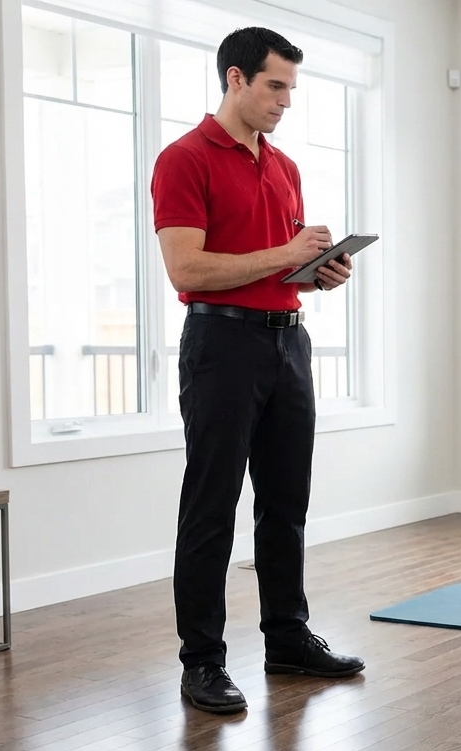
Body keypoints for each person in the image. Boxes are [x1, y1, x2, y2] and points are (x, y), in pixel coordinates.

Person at [151, 26, 364, 715]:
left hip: (288, 343)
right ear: (235, 79)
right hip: (221, 346)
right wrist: (283, 255)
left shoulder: (284, 166)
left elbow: (279, 268)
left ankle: (288, 639)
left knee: (286, 504)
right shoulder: (183, 159)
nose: (285, 101)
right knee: (211, 506)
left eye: (291, 89)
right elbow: (187, 268)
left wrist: (317, 274)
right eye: (275, 86)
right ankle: (203, 663)